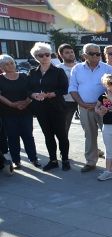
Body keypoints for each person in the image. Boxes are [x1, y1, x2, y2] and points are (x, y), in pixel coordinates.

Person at [68, 43, 112, 172]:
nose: (96, 56)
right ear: (84, 55)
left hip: (104, 108)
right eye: (92, 53)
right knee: (89, 135)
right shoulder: (77, 69)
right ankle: (90, 161)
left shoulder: (107, 68)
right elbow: (72, 88)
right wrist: (81, 103)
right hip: (85, 107)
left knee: (110, 134)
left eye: (98, 53)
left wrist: (102, 104)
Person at [27, 42, 70, 172]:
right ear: (36, 57)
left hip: (57, 107)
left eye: (47, 54)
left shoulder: (58, 71)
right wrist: (33, 95)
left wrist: (52, 94)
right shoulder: (32, 72)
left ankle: (65, 160)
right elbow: (28, 89)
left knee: (61, 135)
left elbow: (64, 88)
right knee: (48, 135)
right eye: (41, 55)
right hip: (41, 109)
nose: (45, 57)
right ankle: (53, 160)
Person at [0, 54, 40, 169]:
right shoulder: (0, 78)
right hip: (8, 113)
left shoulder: (24, 76)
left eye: (11, 63)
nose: (10, 65)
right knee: (12, 137)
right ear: (2, 67)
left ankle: (33, 159)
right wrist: (12, 104)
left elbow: (31, 91)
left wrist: (26, 102)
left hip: (25, 111)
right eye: (6, 64)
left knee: (28, 136)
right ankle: (16, 161)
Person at [56, 43, 79, 133]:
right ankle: (64, 146)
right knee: (64, 127)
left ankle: (92, 147)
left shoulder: (81, 67)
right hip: (66, 101)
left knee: (88, 127)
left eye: (72, 52)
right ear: (61, 55)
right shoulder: (58, 69)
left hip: (83, 100)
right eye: (67, 52)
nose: (70, 54)